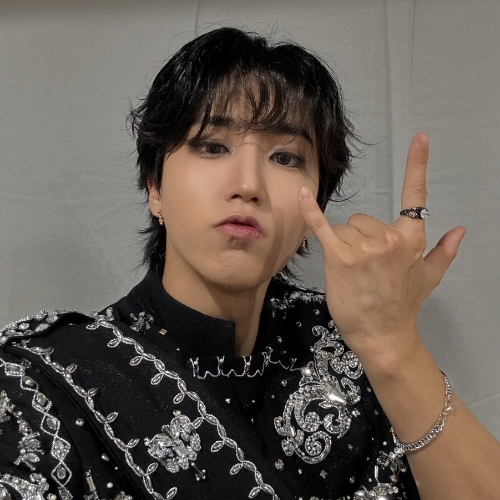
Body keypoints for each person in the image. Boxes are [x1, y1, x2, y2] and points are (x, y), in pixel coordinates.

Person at [0, 26, 499, 500]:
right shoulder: (44, 383)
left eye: (286, 158)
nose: (248, 185)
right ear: (155, 187)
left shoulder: (351, 341)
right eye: (212, 146)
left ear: (317, 203)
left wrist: (393, 346)